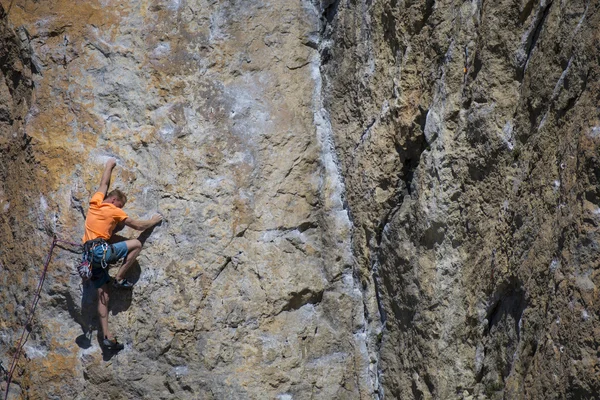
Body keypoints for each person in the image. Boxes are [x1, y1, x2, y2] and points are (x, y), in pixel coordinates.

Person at [82, 157, 162, 350]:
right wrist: (153, 221)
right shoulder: (113, 209)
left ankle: (106, 336)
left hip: (89, 257)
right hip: (100, 252)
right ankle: (119, 277)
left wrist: (109, 165)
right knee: (135, 244)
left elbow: (104, 183)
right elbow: (137, 225)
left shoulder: (95, 202)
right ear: (115, 200)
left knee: (103, 294)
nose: (120, 211)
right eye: (120, 206)